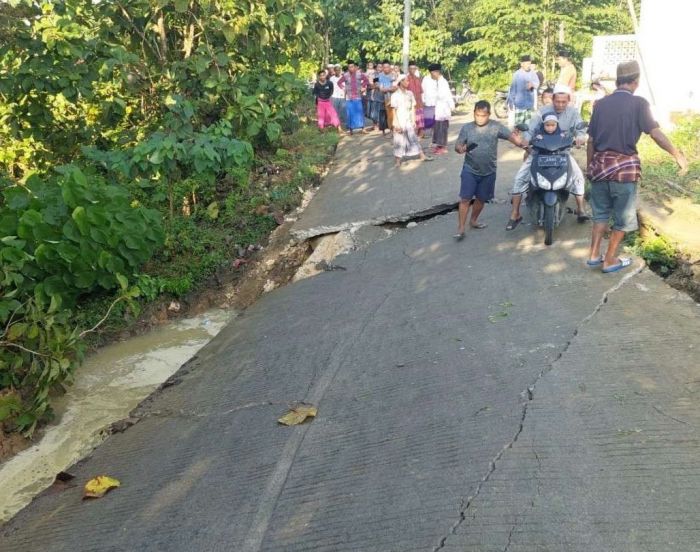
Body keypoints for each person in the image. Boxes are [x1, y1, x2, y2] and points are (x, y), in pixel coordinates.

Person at [586, 60, 687, 273]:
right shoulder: (639, 104)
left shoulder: (601, 104)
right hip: (624, 171)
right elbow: (655, 133)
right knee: (623, 219)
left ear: (617, 81)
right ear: (636, 82)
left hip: (600, 169)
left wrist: (590, 167)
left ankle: (594, 255)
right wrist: (676, 154)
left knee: (601, 214)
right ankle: (610, 260)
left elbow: (591, 141)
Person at [506, 84, 588, 230]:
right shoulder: (542, 112)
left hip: (563, 153)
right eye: (557, 101)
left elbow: (580, 129)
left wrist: (581, 137)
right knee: (520, 178)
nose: (560, 104)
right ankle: (515, 213)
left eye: (564, 102)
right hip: (539, 153)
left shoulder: (574, 113)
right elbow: (530, 130)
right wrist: (526, 140)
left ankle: (581, 209)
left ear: (569, 100)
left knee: (578, 177)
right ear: (553, 99)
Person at [453, 100, 525, 239]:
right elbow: (458, 146)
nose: (480, 118)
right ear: (474, 113)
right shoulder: (467, 128)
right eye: (477, 115)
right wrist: (460, 149)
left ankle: (473, 220)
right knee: (465, 199)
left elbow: (513, 138)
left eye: (483, 115)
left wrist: (524, 145)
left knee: (481, 198)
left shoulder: (496, 127)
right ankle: (461, 227)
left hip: (489, 171)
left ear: (489, 114)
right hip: (470, 169)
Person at [390, 75, 433, 167]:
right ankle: (398, 160)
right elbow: (393, 110)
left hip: (408, 119)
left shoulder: (410, 93)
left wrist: (413, 120)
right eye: (406, 81)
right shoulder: (395, 95)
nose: (408, 82)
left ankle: (422, 155)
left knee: (413, 137)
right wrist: (396, 122)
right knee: (399, 140)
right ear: (401, 82)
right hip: (399, 119)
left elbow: (413, 108)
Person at [422, 63, 454, 155]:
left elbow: (445, 95)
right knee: (437, 127)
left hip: (443, 109)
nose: (432, 76)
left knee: (442, 128)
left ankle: (443, 147)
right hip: (438, 108)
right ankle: (438, 145)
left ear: (436, 72)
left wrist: (451, 106)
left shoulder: (442, 82)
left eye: (432, 74)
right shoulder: (439, 81)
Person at [337, 60, 370, 135]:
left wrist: (363, 87)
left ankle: (363, 128)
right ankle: (351, 130)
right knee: (350, 114)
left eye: (352, 66)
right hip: (349, 98)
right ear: (348, 68)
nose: (351, 68)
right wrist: (343, 88)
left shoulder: (359, 74)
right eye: (349, 67)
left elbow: (366, 80)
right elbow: (339, 83)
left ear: (355, 67)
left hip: (358, 97)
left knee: (360, 113)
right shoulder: (345, 75)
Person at [507, 55, 540, 126]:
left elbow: (537, 83)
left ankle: (527, 137)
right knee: (519, 126)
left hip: (530, 105)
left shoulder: (533, 73)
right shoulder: (517, 74)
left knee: (529, 126)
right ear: (522, 64)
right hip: (519, 105)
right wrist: (510, 101)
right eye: (527, 63)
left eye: (529, 63)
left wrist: (533, 84)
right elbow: (513, 88)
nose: (529, 65)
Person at [406, 62, 425, 138]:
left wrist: (422, 101)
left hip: (419, 102)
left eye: (414, 68)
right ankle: (413, 135)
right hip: (410, 103)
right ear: (408, 69)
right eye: (411, 68)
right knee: (412, 119)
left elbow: (421, 91)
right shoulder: (406, 79)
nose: (412, 70)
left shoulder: (418, 79)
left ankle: (421, 133)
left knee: (420, 119)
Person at [378, 61, 397, 133]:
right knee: (389, 114)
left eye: (387, 67)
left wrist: (387, 89)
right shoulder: (380, 76)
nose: (386, 69)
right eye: (384, 67)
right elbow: (381, 89)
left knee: (396, 113)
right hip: (386, 98)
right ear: (382, 68)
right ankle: (391, 130)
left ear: (390, 67)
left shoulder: (394, 75)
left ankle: (396, 129)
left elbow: (396, 87)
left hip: (395, 98)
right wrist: (389, 88)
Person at [329, 65, 346, 130]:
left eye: (339, 70)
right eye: (336, 70)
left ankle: (338, 125)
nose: (338, 71)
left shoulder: (344, 77)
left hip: (342, 97)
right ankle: (338, 127)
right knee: (335, 112)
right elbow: (330, 87)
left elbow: (345, 87)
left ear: (341, 70)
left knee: (341, 112)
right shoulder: (331, 78)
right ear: (334, 71)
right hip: (334, 96)